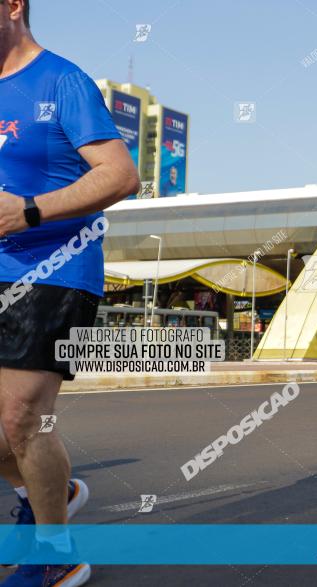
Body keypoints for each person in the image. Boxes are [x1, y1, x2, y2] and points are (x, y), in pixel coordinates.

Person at [0, 1, 140, 584]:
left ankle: (56, 556)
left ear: (13, 5)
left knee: (19, 416)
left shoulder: (62, 79)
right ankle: (50, 491)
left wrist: (29, 211)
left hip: (55, 268)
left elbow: (120, 174)